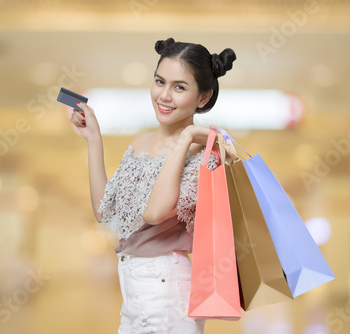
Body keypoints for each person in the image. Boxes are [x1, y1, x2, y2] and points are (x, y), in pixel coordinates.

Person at [70, 37, 236, 334]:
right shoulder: (140, 142)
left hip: (166, 288)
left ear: (203, 97)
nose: (164, 96)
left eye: (179, 87)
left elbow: (155, 213)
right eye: (160, 81)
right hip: (133, 288)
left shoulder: (206, 154)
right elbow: (104, 212)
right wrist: (93, 140)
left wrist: (184, 140)